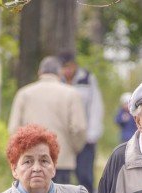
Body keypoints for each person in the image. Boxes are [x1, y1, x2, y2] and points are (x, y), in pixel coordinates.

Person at [8, 56, 87, 186]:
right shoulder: (71, 94)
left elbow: (14, 129)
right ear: (60, 73)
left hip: (29, 164)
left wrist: (21, 155)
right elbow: (79, 128)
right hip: (61, 160)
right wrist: (74, 149)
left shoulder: (24, 93)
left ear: (40, 72)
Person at [58, 51, 104, 193]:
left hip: (84, 136)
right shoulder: (58, 81)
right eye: (64, 67)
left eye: (69, 67)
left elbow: (95, 107)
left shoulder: (87, 79)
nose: (67, 71)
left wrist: (92, 134)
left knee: (85, 176)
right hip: (63, 138)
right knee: (61, 177)